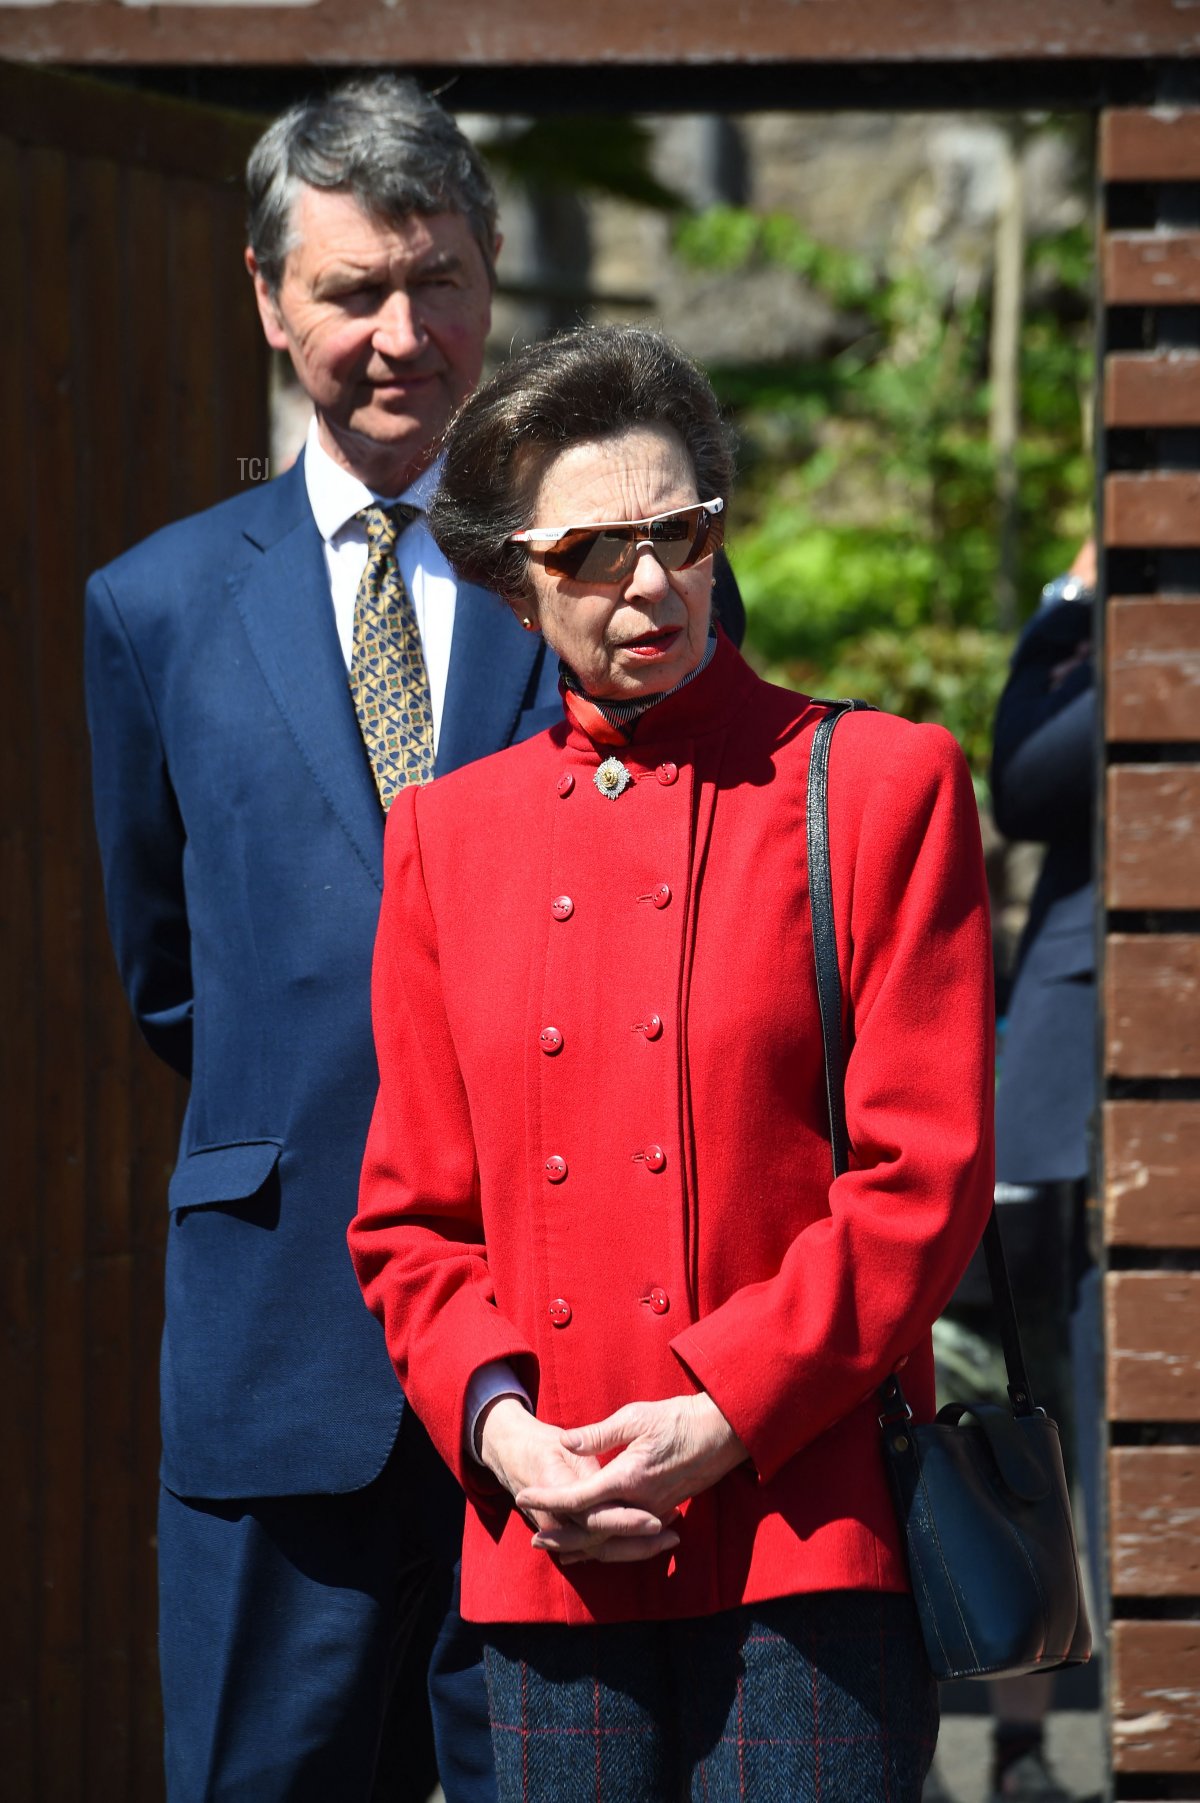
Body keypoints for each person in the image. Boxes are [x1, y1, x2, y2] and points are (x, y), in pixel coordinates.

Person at [83, 75, 746, 1803]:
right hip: (280, 1344)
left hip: (577, 1375)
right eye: (352, 288)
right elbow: (167, 968)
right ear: (265, 296)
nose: (401, 333)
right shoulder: (153, 609)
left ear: (495, 274)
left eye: (436, 280)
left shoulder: (619, 574)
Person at [349, 323, 995, 1802]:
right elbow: (410, 1221)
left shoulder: (884, 782)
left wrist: (720, 1412)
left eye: (680, 533)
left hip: (810, 1532)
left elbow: (924, 1180)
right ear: (513, 581)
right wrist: (510, 1442)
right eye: (586, 551)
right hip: (551, 1549)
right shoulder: (446, 841)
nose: (646, 584)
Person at [983, 541, 1098, 1803]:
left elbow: (1026, 773)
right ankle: (1015, 1736)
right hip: (1045, 1123)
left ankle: (1017, 1741)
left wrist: (1075, 599)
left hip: (1087, 1112)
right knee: (1022, 1410)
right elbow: (1024, 775)